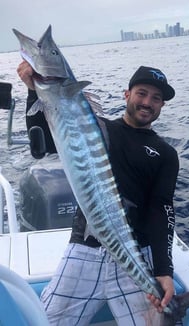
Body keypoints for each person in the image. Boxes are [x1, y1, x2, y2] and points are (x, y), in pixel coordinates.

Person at [17, 62, 179, 325]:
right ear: (127, 95)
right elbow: (44, 143)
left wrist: (164, 269)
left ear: (162, 105)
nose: (147, 102)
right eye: (141, 93)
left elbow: (162, 209)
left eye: (156, 98)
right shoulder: (98, 131)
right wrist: (34, 92)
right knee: (43, 321)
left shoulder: (166, 153)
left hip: (135, 251)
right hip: (84, 248)